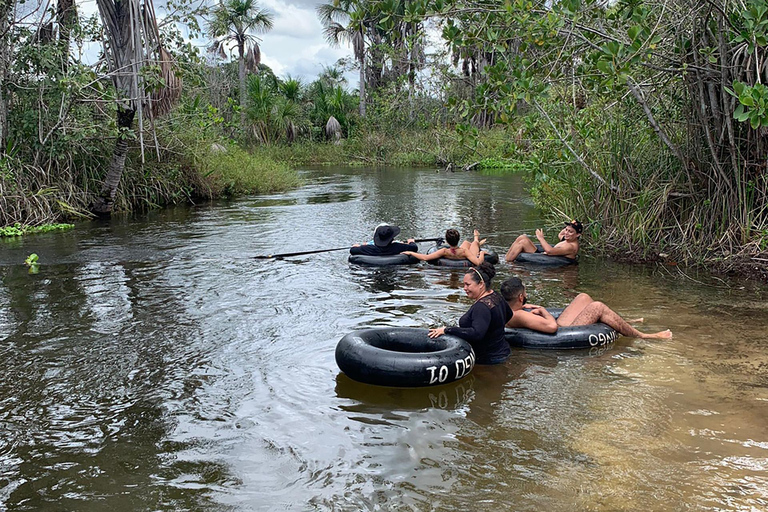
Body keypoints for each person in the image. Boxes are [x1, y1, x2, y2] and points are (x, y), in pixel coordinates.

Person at [500, 277, 672, 339]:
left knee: (584, 297)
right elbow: (552, 328)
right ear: (521, 297)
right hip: (560, 332)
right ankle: (644, 336)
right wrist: (543, 311)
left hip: (558, 326)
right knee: (597, 307)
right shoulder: (518, 316)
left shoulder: (512, 309)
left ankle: (624, 322)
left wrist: (527, 307)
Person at [428, 262, 513, 364]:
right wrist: (493, 330)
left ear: (481, 284)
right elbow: (509, 314)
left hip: (488, 360)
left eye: (468, 284)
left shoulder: (481, 307)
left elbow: (476, 334)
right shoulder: (495, 295)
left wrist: (447, 330)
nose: (464, 288)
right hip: (503, 351)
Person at [504, 219, 582, 263]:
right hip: (544, 255)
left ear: (578, 235)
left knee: (522, 243)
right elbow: (560, 234)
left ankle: (507, 262)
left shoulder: (571, 246)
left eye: (570, 232)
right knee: (522, 237)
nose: (566, 233)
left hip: (546, 258)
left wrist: (541, 238)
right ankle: (505, 258)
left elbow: (549, 251)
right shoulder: (568, 239)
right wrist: (570, 226)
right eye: (566, 230)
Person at [402, 228, 486, 265]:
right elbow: (478, 263)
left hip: (455, 252)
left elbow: (425, 258)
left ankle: (476, 242)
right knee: (473, 243)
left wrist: (411, 252)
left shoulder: (444, 251)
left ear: (447, 241)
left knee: (466, 243)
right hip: (462, 253)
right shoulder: (465, 252)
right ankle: (476, 238)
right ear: (458, 239)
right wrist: (481, 253)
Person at [349, 224, 417, 256]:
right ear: (392, 238)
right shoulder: (398, 246)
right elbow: (414, 247)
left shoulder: (369, 248)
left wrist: (356, 246)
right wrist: (411, 241)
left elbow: (352, 250)